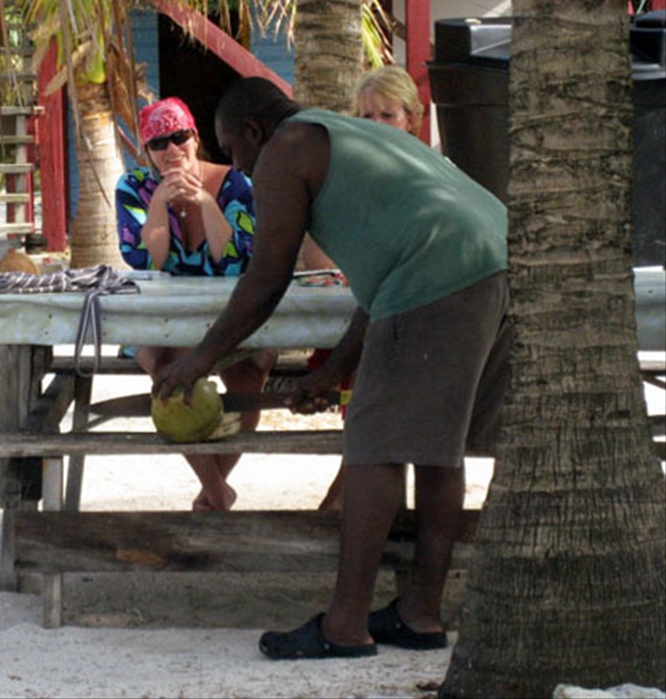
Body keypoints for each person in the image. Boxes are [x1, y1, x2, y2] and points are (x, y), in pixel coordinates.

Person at [153, 77, 509, 658]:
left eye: (233, 150)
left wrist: (201, 358)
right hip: (494, 256)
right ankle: (419, 614)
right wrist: (331, 370)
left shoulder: (285, 150)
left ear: (253, 131)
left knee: (373, 448)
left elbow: (266, 279)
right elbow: (384, 275)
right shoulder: (355, 137)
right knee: (437, 447)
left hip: (439, 276)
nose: (238, 166)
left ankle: (345, 625)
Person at [116, 96, 277, 512]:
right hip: (165, 315)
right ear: (146, 152)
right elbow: (145, 260)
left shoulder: (237, 184)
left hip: (231, 312)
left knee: (250, 374)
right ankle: (217, 491)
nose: (171, 151)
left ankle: (214, 488)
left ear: (195, 137)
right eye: (158, 144)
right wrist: (157, 204)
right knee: (163, 365)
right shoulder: (133, 188)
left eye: (179, 137)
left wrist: (206, 204)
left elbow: (236, 260)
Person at [318, 63, 427, 511]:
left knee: (378, 367)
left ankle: (348, 497)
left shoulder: (435, 175)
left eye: (388, 115)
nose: (377, 126)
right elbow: (317, 255)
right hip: (358, 305)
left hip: (420, 313)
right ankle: (354, 497)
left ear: (411, 121)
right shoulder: (346, 179)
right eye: (366, 117)